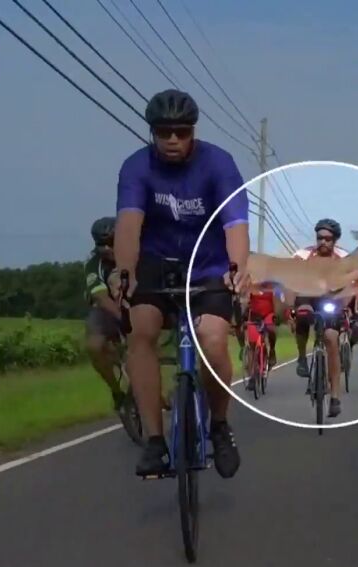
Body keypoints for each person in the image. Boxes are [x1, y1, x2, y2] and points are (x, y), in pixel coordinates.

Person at [109, 89, 250, 478]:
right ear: (152, 133)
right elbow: (128, 224)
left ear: (193, 132)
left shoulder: (218, 163)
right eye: (163, 132)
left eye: (182, 132)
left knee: (214, 340)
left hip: (209, 264)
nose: (172, 139)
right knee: (141, 332)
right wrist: (124, 270)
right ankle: (155, 440)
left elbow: (236, 223)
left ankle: (219, 425)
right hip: (157, 262)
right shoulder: (136, 167)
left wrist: (237, 267)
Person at [287, 218, 351, 418]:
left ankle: (335, 397)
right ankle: (301, 357)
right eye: (319, 238)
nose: (323, 242)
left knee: (331, 338)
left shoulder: (344, 259)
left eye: (327, 239)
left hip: (331, 299)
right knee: (302, 313)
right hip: (307, 295)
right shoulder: (302, 256)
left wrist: (345, 307)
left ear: (335, 240)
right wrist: (290, 308)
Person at [84, 217, 128, 411]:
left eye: (112, 242)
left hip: (136, 304)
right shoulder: (94, 263)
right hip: (107, 309)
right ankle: (116, 390)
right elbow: (101, 297)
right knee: (94, 345)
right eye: (104, 245)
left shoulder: (139, 250)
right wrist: (123, 318)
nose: (109, 248)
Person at [240, 281, 282, 390]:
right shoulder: (252, 287)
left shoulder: (273, 287)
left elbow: (277, 303)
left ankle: (272, 350)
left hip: (268, 314)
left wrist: (277, 316)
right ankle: (252, 376)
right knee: (252, 345)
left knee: (271, 329)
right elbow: (246, 301)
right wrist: (243, 314)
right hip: (255, 316)